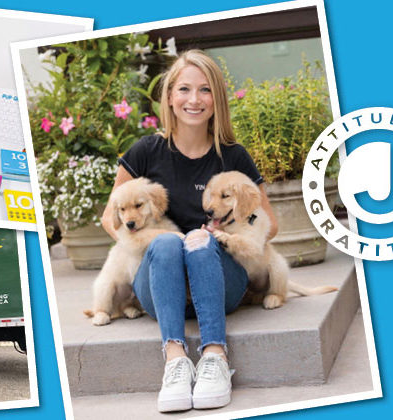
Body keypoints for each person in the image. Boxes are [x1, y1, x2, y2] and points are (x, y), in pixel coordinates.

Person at [101, 50, 278, 413]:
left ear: (217, 99)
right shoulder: (145, 151)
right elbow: (111, 219)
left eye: (205, 90)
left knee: (199, 245)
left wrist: (220, 232)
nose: (194, 100)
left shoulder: (234, 157)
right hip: (159, 284)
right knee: (166, 243)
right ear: (169, 97)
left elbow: (268, 223)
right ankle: (175, 361)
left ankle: (214, 356)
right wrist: (144, 244)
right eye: (184, 89)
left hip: (218, 281)